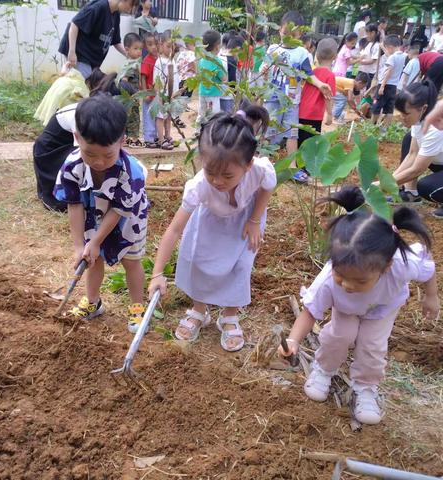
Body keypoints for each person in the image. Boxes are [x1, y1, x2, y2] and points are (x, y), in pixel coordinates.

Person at [279, 186, 438, 425]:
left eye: (360, 280)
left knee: (373, 345)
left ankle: (365, 387)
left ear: (384, 269)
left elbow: (428, 269)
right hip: (346, 308)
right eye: (340, 275)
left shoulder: (400, 265)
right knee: (339, 335)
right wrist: (293, 340)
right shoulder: (329, 282)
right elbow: (310, 313)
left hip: (382, 307)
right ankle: (323, 369)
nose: (348, 285)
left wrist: (431, 296)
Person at [148, 106, 275, 352]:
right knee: (199, 261)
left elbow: (268, 186)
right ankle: (199, 309)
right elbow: (174, 230)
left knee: (240, 265)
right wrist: (157, 273)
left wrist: (255, 220)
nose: (217, 181)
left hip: (245, 221)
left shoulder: (259, 169)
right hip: (210, 221)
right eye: (210, 172)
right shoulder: (199, 187)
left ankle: (229, 315)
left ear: (247, 165)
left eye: (227, 176)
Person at [53, 94, 148, 331]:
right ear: (77, 138)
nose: (99, 162)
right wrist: (81, 245)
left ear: (121, 142)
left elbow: (119, 209)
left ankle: (137, 307)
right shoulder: (72, 166)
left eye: (108, 155)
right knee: (91, 259)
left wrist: (96, 240)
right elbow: (74, 205)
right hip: (92, 214)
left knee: (131, 261)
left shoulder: (131, 173)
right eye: (90, 154)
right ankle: (93, 302)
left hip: (127, 218)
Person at [260, 10, 332, 183]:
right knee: (268, 131)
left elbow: (308, 74)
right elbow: (264, 67)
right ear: (280, 31)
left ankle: (292, 167)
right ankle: (263, 164)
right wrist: (263, 71)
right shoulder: (273, 48)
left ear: (300, 35)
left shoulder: (302, 53)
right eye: (285, 34)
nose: (288, 38)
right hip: (272, 99)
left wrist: (320, 84)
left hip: (292, 101)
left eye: (293, 35)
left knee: (293, 133)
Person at [33, 69, 117, 212]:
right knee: (88, 159)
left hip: (66, 147)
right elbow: (82, 156)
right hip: (50, 153)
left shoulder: (95, 112)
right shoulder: (81, 114)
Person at [392, 81, 443, 218]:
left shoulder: (435, 129)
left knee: (426, 187)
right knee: (409, 139)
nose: (402, 118)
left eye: (406, 114)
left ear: (423, 108)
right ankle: (410, 193)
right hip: (439, 162)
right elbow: (412, 154)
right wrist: (390, 182)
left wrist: (382, 185)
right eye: (400, 112)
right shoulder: (419, 120)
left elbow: (417, 169)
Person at [58, 0, 137, 79]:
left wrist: (128, 55)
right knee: (82, 83)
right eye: (131, 5)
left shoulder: (116, 14)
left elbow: (116, 41)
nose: (130, 10)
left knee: (90, 84)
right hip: (79, 53)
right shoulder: (99, 6)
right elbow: (74, 24)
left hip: (93, 58)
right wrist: (72, 52)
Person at [298, 38, 337, 148]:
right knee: (311, 146)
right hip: (314, 116)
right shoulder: (330, 75)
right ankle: (305, 165)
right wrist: (329, 114)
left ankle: (297, 164)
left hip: (301, 112)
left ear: (317, 55)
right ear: (335, 56)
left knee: (300, 143)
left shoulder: (312, 73)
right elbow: (328, 97)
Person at [153, 30, 180, 150]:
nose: (170, 49)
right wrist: (158, 94)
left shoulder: (172, 60)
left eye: (173, 46)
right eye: (168, 46)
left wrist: (176, 92)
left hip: (171, 94)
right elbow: (156, 80)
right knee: (160, 116)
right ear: (161, 44)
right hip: (162, 95)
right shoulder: (159, 61)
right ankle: (161, 139)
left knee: (168, 115)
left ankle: (168, 136)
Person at [371, 34, 406, 126]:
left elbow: (389, 71)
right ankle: (385, 129)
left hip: (385, 84)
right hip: (393, 86)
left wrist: (382, 86)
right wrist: (382, 47)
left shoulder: (392, 57)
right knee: (389, 109)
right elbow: (389, 54)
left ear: (390, 47)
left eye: (387, 48)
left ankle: (370, 127)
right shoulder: (403, 56)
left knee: (376, 106)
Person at [118, 33, 144, 147]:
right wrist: (133, 94)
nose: (139, 51)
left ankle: (127, 138)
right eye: (136, 48)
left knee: (128, 117)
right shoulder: (130, 65)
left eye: (140, 49)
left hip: (131, 97)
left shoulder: (134, 63)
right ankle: (134, 139)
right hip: (130, 98)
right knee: (134, 117)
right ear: (127, 49)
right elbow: (124, 81)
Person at [197, 30, 226, 125]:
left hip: (202, 92)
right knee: (213, 116)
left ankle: (198, 130)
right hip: (213, 94)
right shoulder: (217, 61)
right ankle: (211, 133)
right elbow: (224, 79)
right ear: (217, 46)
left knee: (201, 113)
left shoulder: (202, 60)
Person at [140, 32, 159, 148]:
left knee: (157, 116)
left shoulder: (160, 60)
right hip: (149, 95)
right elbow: (143, 77)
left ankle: (155, 136)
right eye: (150, 44)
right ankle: (148, 139)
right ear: (146, 47)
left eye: (156, 44)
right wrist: (145, 93)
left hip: (157, 95)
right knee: (149, 117)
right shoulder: (147, 60)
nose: (154, 47)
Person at [357, 23, 380, 89]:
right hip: (362, 70)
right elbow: (361, 54)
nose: (366, 36)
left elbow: (373, 60)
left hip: (369, 73)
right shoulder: (368, 43)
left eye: (367, 33)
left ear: (373, 33)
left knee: (366, 90)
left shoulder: (377, 45)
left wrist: (361, 62)